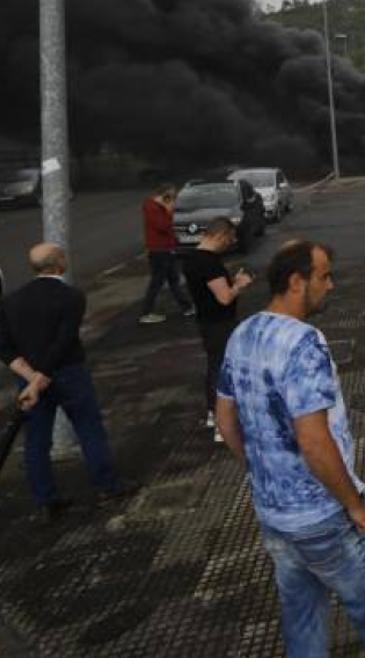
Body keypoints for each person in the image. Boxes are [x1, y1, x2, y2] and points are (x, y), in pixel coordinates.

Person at [215, 241, 365, 657]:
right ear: (297, 282)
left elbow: (225, 420)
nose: (331, 285)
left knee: (302, 613)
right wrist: (355, 505)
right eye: (324, 275)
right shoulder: (304, 342)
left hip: (274, 513)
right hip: (323, 516)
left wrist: (261, 471)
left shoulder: (242, 333)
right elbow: (314, 441)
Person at [0, 243, 137, 522]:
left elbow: (4, 347)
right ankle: (107, 486)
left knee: (37, 440)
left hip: (27, 380)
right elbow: (63, 342)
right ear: (59, 262)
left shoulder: (11, 301)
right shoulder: (71, 297)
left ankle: (45, 501)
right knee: (89, 429)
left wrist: (31, 380)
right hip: (69, 373)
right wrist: (41, 378)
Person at [182, 218, 253, 440]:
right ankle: (223, 423)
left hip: (206, 321)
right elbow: (223, 298)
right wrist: (239, 284)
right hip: (220, 322)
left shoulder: (191, 258)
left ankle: (214, 414)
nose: (230, 244)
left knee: (215, 365)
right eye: (230, 239)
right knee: (223, 368)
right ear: (221, 235)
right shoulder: (209, 262)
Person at [139, 183, 194, 324]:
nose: (173, 199)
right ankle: (146, 312)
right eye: (171, 196)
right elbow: (162, 226)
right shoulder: (152, 207)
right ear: (163, 194)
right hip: (158, 250)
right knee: (157, 282)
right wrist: (168, 211)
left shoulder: (159, 207)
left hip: (167, 249)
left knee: (174, 280)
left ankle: (187, 307)